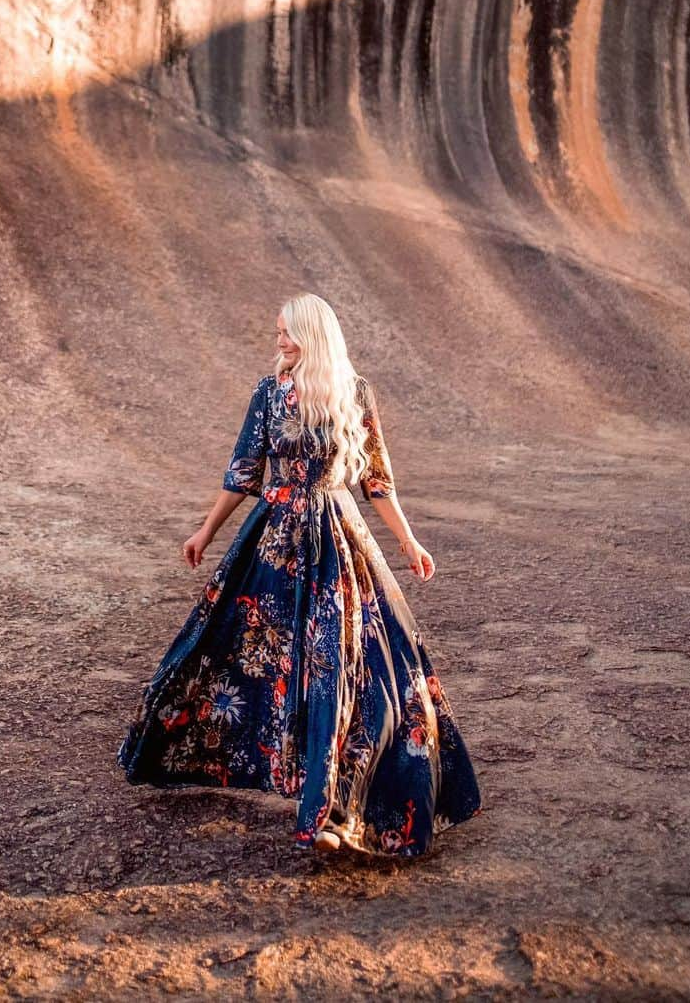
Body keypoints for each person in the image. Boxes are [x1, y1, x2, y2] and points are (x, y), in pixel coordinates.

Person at [117, 292, 483, 857]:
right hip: (273, 544)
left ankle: (335, 810)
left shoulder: (355, 395)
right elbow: (243, 472)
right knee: (233, 651)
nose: (277, 341)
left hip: (338, 538)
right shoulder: (267, 395)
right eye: (277, 332)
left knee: (343, 666)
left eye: (285, 332)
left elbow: (377, 481)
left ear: (311, 335)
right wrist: (205, 533)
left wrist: (408, 541)